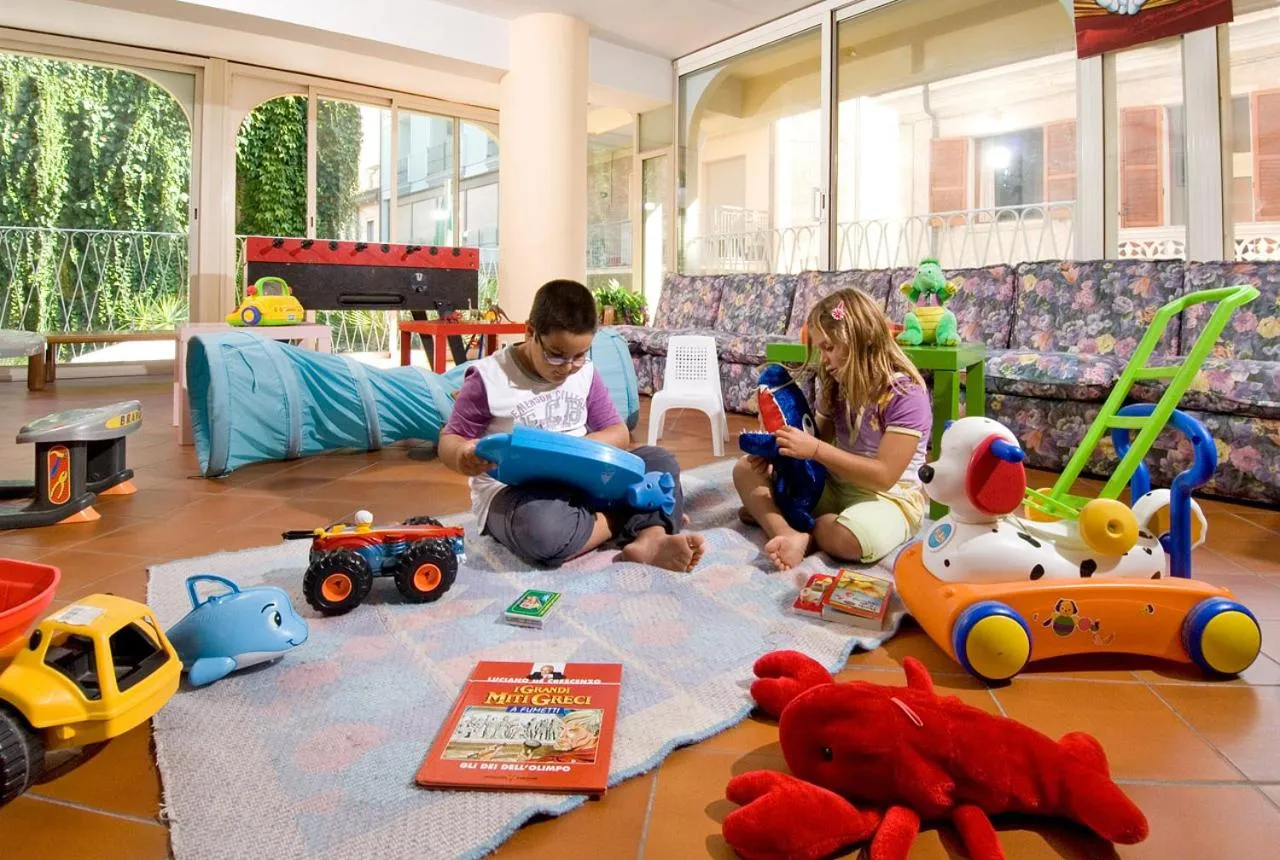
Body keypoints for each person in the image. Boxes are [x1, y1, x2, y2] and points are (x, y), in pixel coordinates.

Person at [439, 279, 706, 572]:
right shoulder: (488, 377)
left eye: (579, 355)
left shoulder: (586, 374)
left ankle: (651, 540)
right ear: (530, 332)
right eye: (556, 354)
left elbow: (618, 432)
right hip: (517, 493)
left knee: (659, 461)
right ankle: (635, 518)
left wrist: (580, 452)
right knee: (541, 530)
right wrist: (463, 455)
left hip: (587, 484)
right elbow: (450, 439)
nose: (566, 367)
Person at [734, 288, 932, 571]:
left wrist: (815, 449)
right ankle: (787, 532)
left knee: (845, 538)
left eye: (829, 347)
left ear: (860, 340)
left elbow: (884, 476)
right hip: (835, 484)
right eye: (820, 349)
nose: (823, 360)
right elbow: (816, 441)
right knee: (745, 470)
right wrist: (778, 454)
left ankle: (798, 526)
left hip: (890, 498)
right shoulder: (836, 385)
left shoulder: (904, 394)